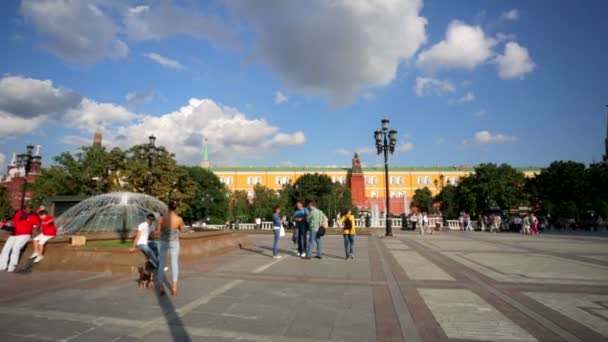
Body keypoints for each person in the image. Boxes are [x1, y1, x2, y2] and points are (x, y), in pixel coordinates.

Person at [156, 201, 184, 296]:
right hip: (174, 242)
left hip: (164, 241)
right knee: (174, 263)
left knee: (162, 263)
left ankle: (160, 286)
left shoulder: (162, 219)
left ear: (168, 208)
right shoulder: (179, 219)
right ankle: (174, 287)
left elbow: (158, 231)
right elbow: (182, 230)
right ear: (176, 208)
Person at [0, 205, 40, 272]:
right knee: (6, 248)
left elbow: (37, 225)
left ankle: (12, 267)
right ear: (23, 209)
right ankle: (2, 266)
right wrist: (5, 224)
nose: (29, 210)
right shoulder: (18, 213)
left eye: (30, 209)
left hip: (25, 234)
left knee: (16, 248)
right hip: (14, 234)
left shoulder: (34, 216)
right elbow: (13, 222)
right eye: (27, 209)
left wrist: (36, 233)